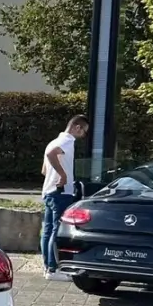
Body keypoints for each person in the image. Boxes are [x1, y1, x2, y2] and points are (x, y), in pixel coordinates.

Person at [41, 115, 89, 280]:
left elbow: (44, 170)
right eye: (83, 131)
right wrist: (63, 175)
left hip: (48, 191)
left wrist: (55, 175)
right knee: (56, 229)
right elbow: (50, 154)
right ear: (77, 127)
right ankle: (54, 270)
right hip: (61, 192)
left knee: (47, 230)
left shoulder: (53, 141)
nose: (83, 135)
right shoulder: (68, 141)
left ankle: (47, 266)